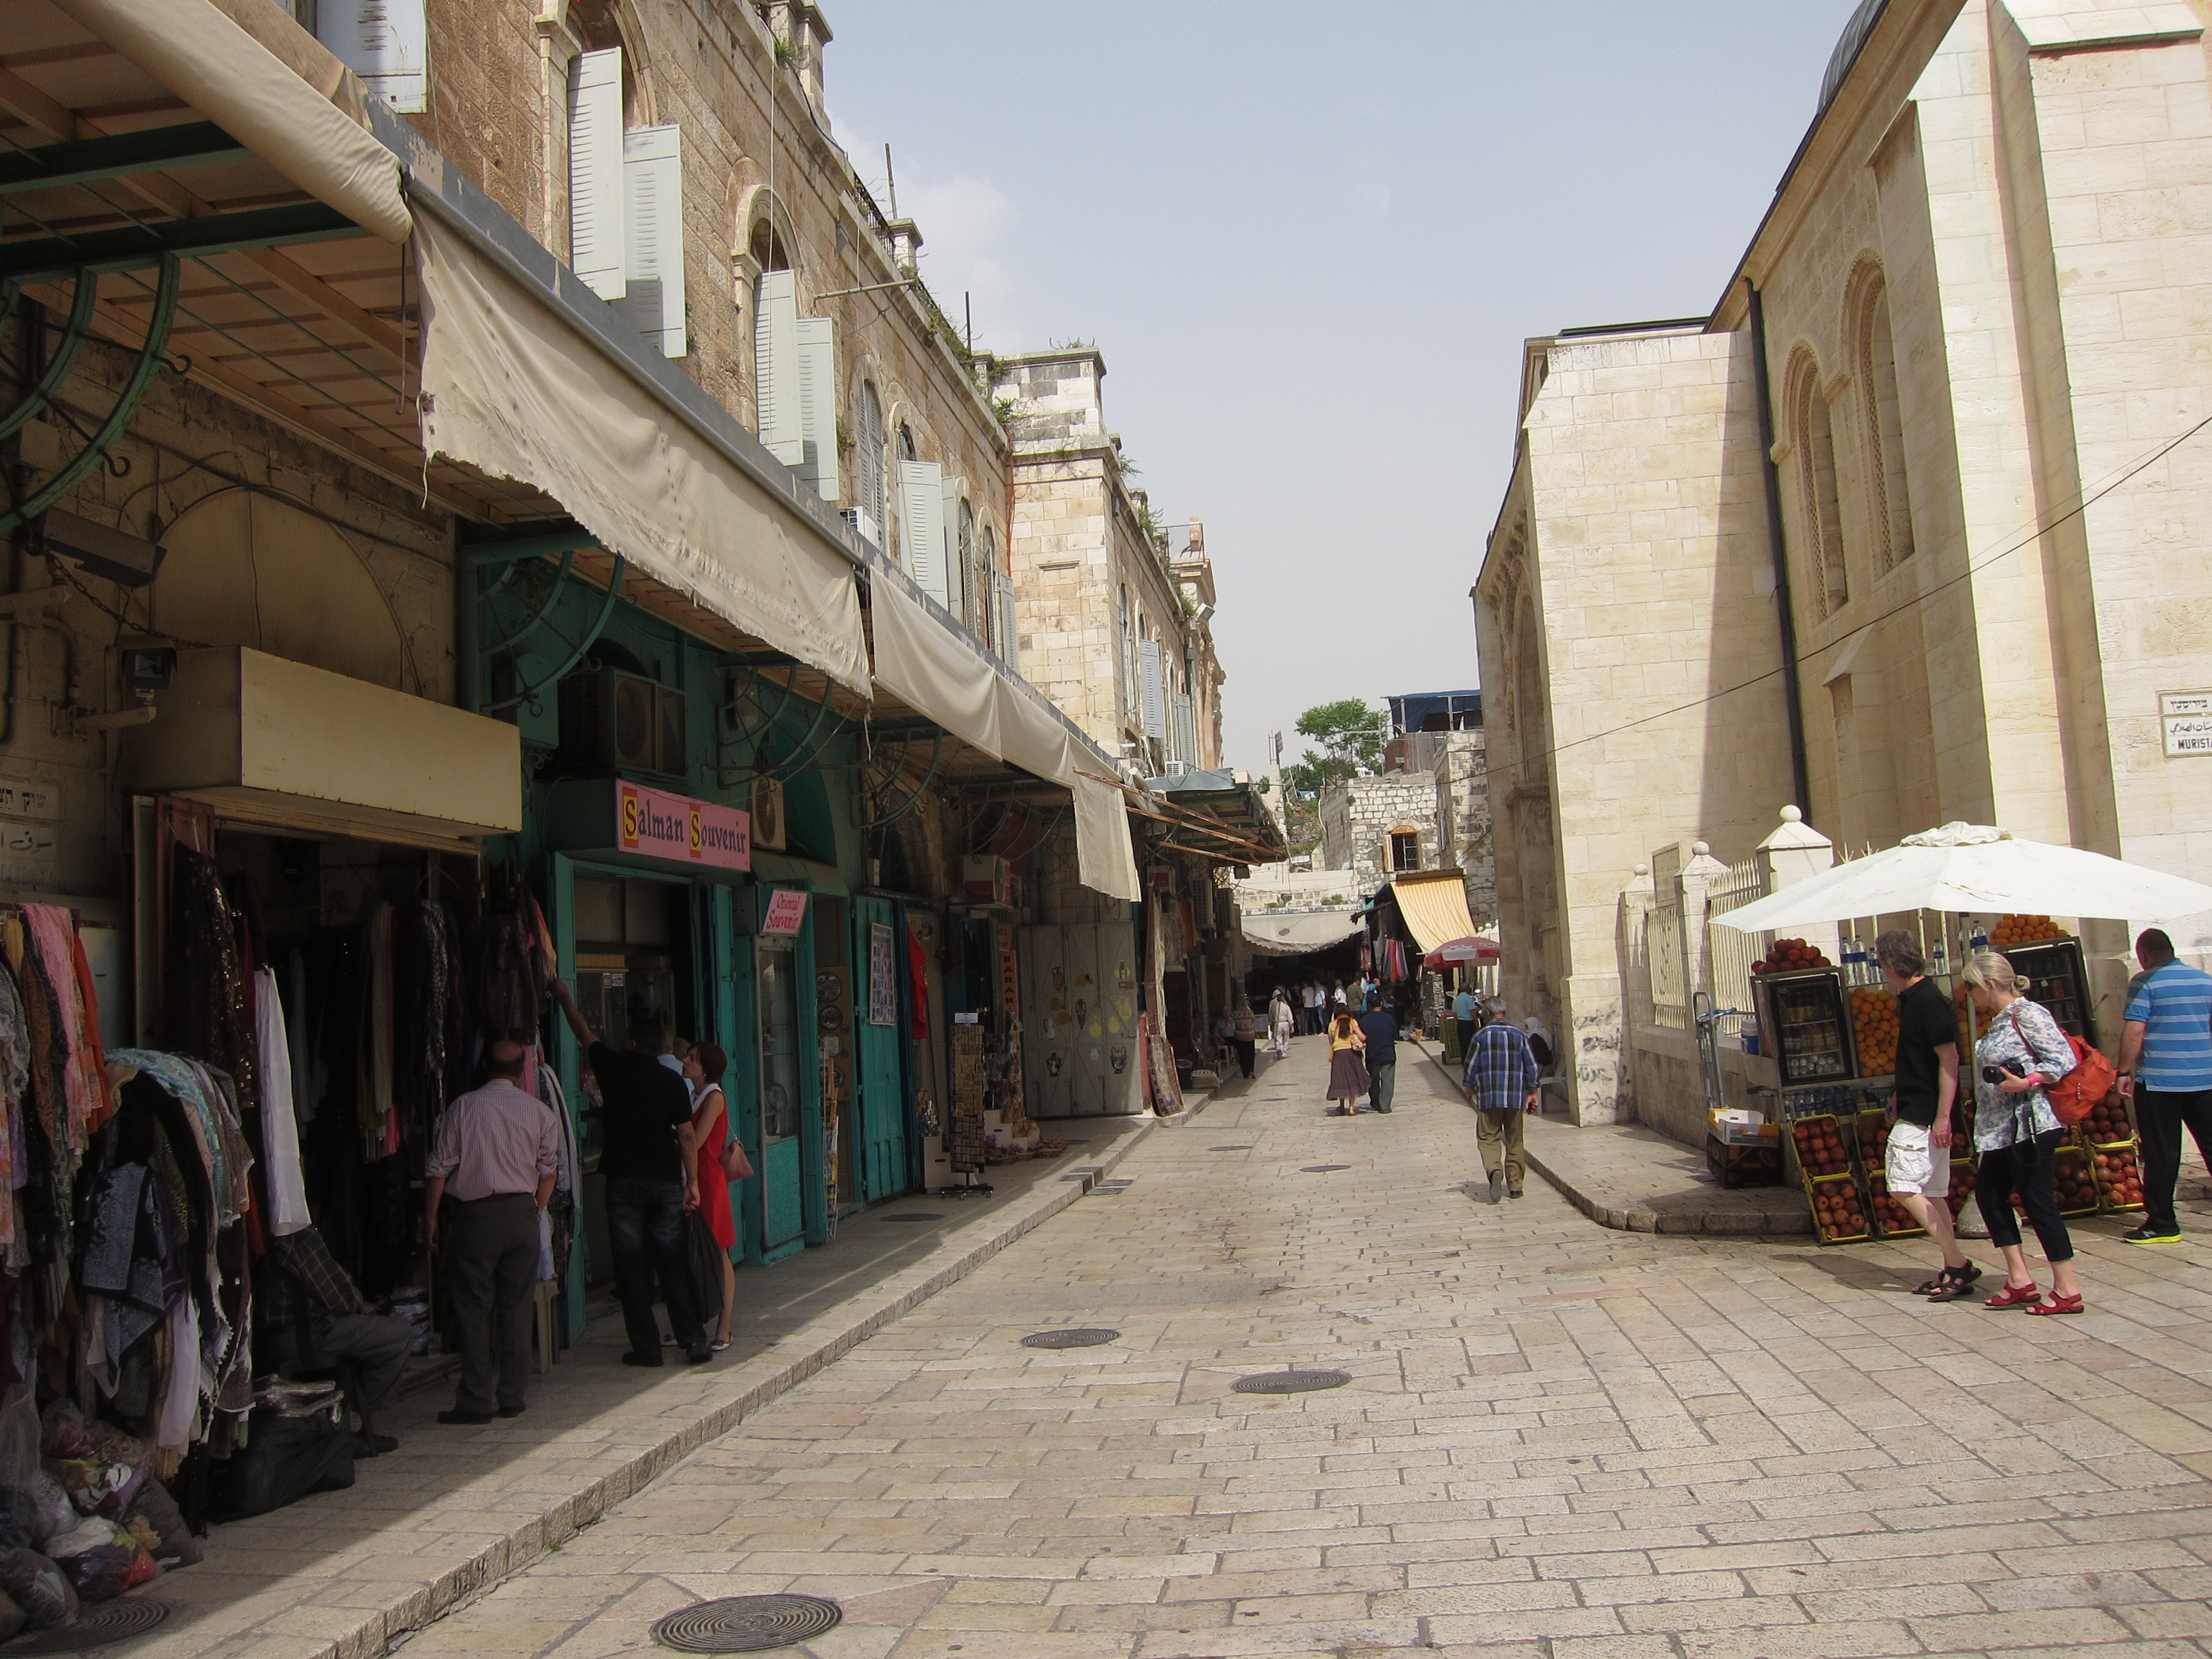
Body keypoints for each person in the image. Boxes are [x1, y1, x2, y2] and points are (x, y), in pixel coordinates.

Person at [548, 979, 711, 1366]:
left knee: (631, 1265)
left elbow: (583, 1033)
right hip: (665, 1179)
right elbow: (687, 1136)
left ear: (633, 1043)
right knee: (671, 1260)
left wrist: (565, 998)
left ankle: (647, 1349)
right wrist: (692, 1182)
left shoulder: (614, 1069)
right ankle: (694, 1340)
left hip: (624, 1180)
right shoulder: (672, 1081)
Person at [425, 1037, 560, 1423]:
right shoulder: (539, 1112)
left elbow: (438, 1170)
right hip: (521, 1214)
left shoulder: (464, 1107)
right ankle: (512, 1396)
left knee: (474, 1308)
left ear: (485, 1066)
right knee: (517, 1308)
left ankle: (476, 1400)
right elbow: (549, 1172)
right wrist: (534, 1210)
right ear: (521, 1071)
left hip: (475, 1218)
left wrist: (430, 1219)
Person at [1962, 951, 2083, 1315]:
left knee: (2037, 1200)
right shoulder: (1999, 1021)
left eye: (1970, 985)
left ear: (1989, 984)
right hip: (2001, 1128)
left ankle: (2067, 1289)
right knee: (1990, 1196)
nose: (1968, 993)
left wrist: (2027, 1080)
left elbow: (2063, 1058)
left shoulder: (2027, 1013)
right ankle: (2019, 1279)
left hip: (2031, 1123)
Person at [1871, 931, 1976, 1299]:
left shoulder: (1928, 1002)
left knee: (1902, 1185)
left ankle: (1958, 1262)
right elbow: (1921, 1059)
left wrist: (1943, 1117)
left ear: (1891, 964)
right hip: (1919, 1106)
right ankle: (1952, 1267)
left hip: (1925, 1114)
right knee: (1933, 1191)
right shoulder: (1914, 1000)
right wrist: (1900, 1094)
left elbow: (1950, 1060)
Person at [258, 1223, 414, 1455]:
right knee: (398, 1334)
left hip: (273, 1337)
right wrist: (358, 1304)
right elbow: (339, 1297)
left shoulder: (267, 1233)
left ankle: (344, 1417)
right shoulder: (297, 1237)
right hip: (300, 1335)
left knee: (358, 1332)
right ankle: (355, 1419)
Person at [2118, 928, 2212, 1245]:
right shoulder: (2205, 981)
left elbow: (2135, 1030)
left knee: (2162, 1153)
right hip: (2205, 1079)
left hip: (2160, 1081)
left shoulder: (2145, 983)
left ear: (2144, 955)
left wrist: (2124, 1070)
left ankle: (2162, 1223)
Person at [683, 1042, 746, 1351]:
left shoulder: (714, 1098)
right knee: (689, 1251)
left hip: (708, 1181)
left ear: (706, 1068)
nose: (685, 1061)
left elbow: (695, 1141)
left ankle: (725, 1324)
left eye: (692, 1058)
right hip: (692, 1178)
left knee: (719, 1252)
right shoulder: (694, 1096)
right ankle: (689, 1323)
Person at [1464, 1007, 1541, 1203]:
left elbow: (1471, 1065)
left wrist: (1469, 1087)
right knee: (1515, 1141)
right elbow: (1532, 1066)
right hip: (1515, 1097)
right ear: (1505, 1012)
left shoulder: (1481, 1036)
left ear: (1488, 1013)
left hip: (1489, 1097)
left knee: (1488, 1138)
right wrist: (1532, 1092)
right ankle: (1515, 1186)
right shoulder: (1520, 1036)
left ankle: (1494, 1169)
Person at [1357, 1000, 1400, 1113]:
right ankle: (1385, 1105)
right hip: (1388, 1053)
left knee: (1373, 1080)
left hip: (1372, 1054)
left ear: (1370, 1006)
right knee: (1388, 1080)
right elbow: (1396, 1034)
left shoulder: (1365, 1020)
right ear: (1381, 1004)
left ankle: (1376, 1103)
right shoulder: (1389, 1018)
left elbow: (1361, 1038)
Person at [1324, 1010, 1369, 1115]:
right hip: (1352, 1053)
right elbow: (1362, 1037)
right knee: (1352, 1079)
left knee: (1341, 1079)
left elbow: (1331, 1041)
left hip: (1338, 1054)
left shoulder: (1332, 1024)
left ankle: (1341, 1106)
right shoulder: (1352, 1022)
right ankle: (1352, 1108)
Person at [1228, 1000, 1259, 1079]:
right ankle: (1251, 1070)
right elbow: (1253, 1023)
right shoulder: (1251, 1013)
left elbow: (1229, 1022)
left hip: (1240, 1036)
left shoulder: (1234, 1014)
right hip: (1250, 1035)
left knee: (1242, 1055)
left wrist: (1232, 1030)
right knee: (1251, 1054)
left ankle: (1245, 1074)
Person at [1452, 984, 1478, 1059]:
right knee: (1470, 1042)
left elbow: (1454, 1013)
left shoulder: (1456, 1000)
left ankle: (1464, 1060)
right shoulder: (1469, 998)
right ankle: (1471, 1059)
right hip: (1468, 1023)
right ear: (1467, 990)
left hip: (1460, 1023)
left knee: (1462, 1043)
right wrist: (1476, 1021)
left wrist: (1457, 1022)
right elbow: (1472, 1011)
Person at [1268, 988, 1294, 1059]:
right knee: (1286, 1038)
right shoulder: (1286, 1006)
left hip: (1277, 1023)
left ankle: (1279, 1050)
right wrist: (1292, 1026)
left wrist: (1271, 1024)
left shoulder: (1273, 1006)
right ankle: (1284, 1051)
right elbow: (1290, 1017)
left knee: (1278, 1038)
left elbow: (1271, 1015)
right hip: (1285, 1023)